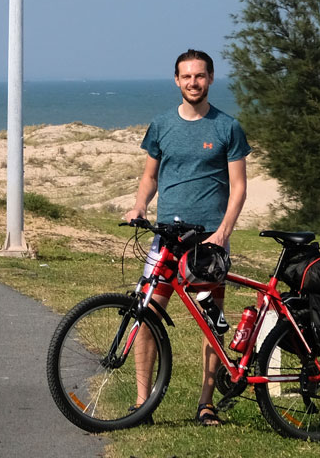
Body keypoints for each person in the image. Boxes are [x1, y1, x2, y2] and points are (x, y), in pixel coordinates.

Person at [123, 48, 249, 426]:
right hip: (167, 239)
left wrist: (222, 234)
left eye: (200, 76)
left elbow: (239, 187)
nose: (193, 82)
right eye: (186, 76)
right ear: (176, 81)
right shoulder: (162, 125)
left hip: (209, 241)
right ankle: (142, 403)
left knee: (211, 324)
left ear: (210, 79)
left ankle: (206, 404)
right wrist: (140, 206)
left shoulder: (228, 127)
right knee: (146, 316)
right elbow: (150, 176)